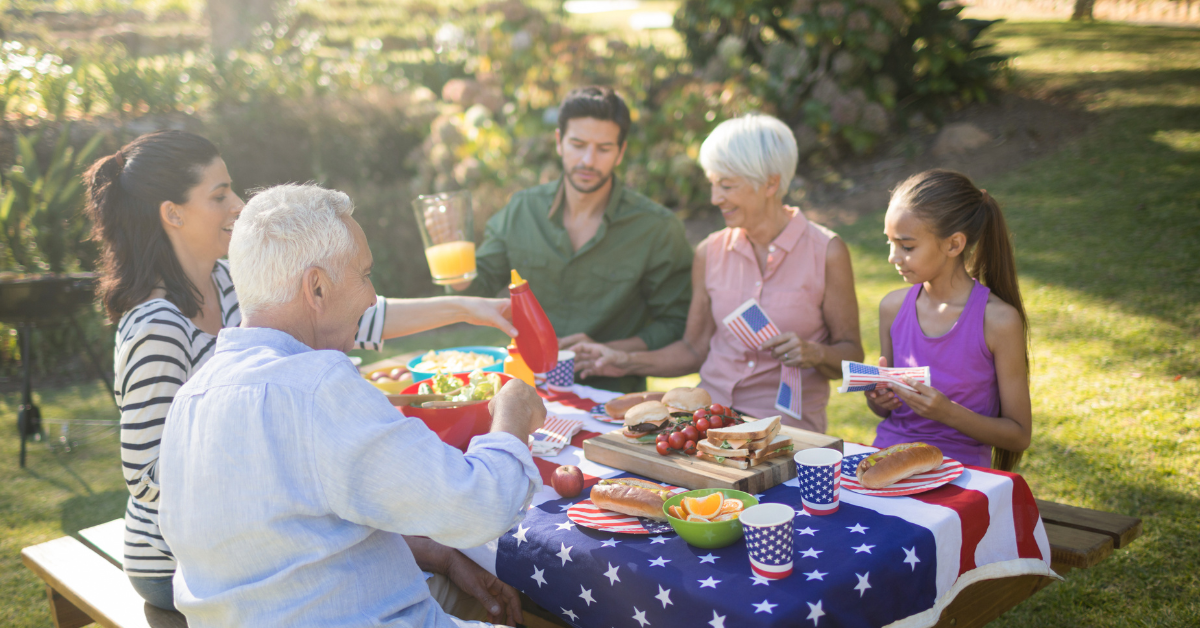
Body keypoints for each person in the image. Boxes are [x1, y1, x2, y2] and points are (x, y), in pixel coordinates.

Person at [83, 131, 516, 612]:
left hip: (267, 528)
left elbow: (346, 316)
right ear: (173, 213)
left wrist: (467, 307)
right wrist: (272, 448)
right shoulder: (156, 324)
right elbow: (146, 473)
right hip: (181, 558)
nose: (239, 204)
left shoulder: (231, 285)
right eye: (219, 193)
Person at [156, 184, 545, 627]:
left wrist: (437, 554)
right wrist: (512, 411)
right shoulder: (318, 387)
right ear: (316, 287)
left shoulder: (191, 397)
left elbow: (283, 541)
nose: (371, 295)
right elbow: (481, 507)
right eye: (364, 274)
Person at [574, 114, 864, 432]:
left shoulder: (827, 252)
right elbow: (693, 348)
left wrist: (815, 352)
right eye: (713, 184)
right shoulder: (709, 252)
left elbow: (852, 357)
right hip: (708, 423)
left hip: (786, 431)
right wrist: (620, 359)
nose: (714, 198)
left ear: (771, 182)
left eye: (726, 186)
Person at [454, 86, 693, 392]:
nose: (588, 160)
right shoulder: (522, 210)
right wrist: (449, 246)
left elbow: (676, 325)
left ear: (620, 152)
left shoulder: (657, 228)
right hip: (526, 391)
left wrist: (611, 348)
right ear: (559, 142)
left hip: (611, 400)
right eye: (578, 144)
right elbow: (475, 286)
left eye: (604, 149)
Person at [863, 170, 1031, 469]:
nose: (892, 257)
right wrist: (878, 399)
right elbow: (886, 414)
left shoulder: (998, 321)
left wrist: (946, 412)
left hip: (961, 474)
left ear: (954, 245)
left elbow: (1018, 436)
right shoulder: (892, 307)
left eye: (907, 246)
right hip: (886, 464)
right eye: (889, 242)